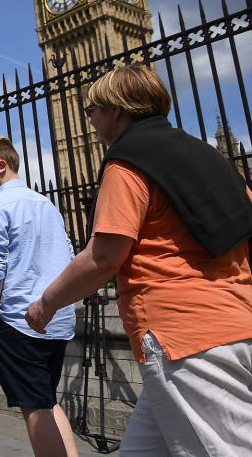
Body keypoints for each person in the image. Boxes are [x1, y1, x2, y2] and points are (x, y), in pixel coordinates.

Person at [25, 64, 252, 456]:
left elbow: (104, 256)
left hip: (183, 336)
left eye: (92, 109)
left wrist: (47, 304)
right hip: (233, 323)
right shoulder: (206, 155)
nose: (90, 121)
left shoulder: (128, 160)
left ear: (116, 109)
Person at [0, 136, 78, 457]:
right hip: (56, 318)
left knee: (34, 407)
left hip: (19, 322)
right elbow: (69, 256)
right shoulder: (46, 204)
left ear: (1, 166)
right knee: (46, 399)